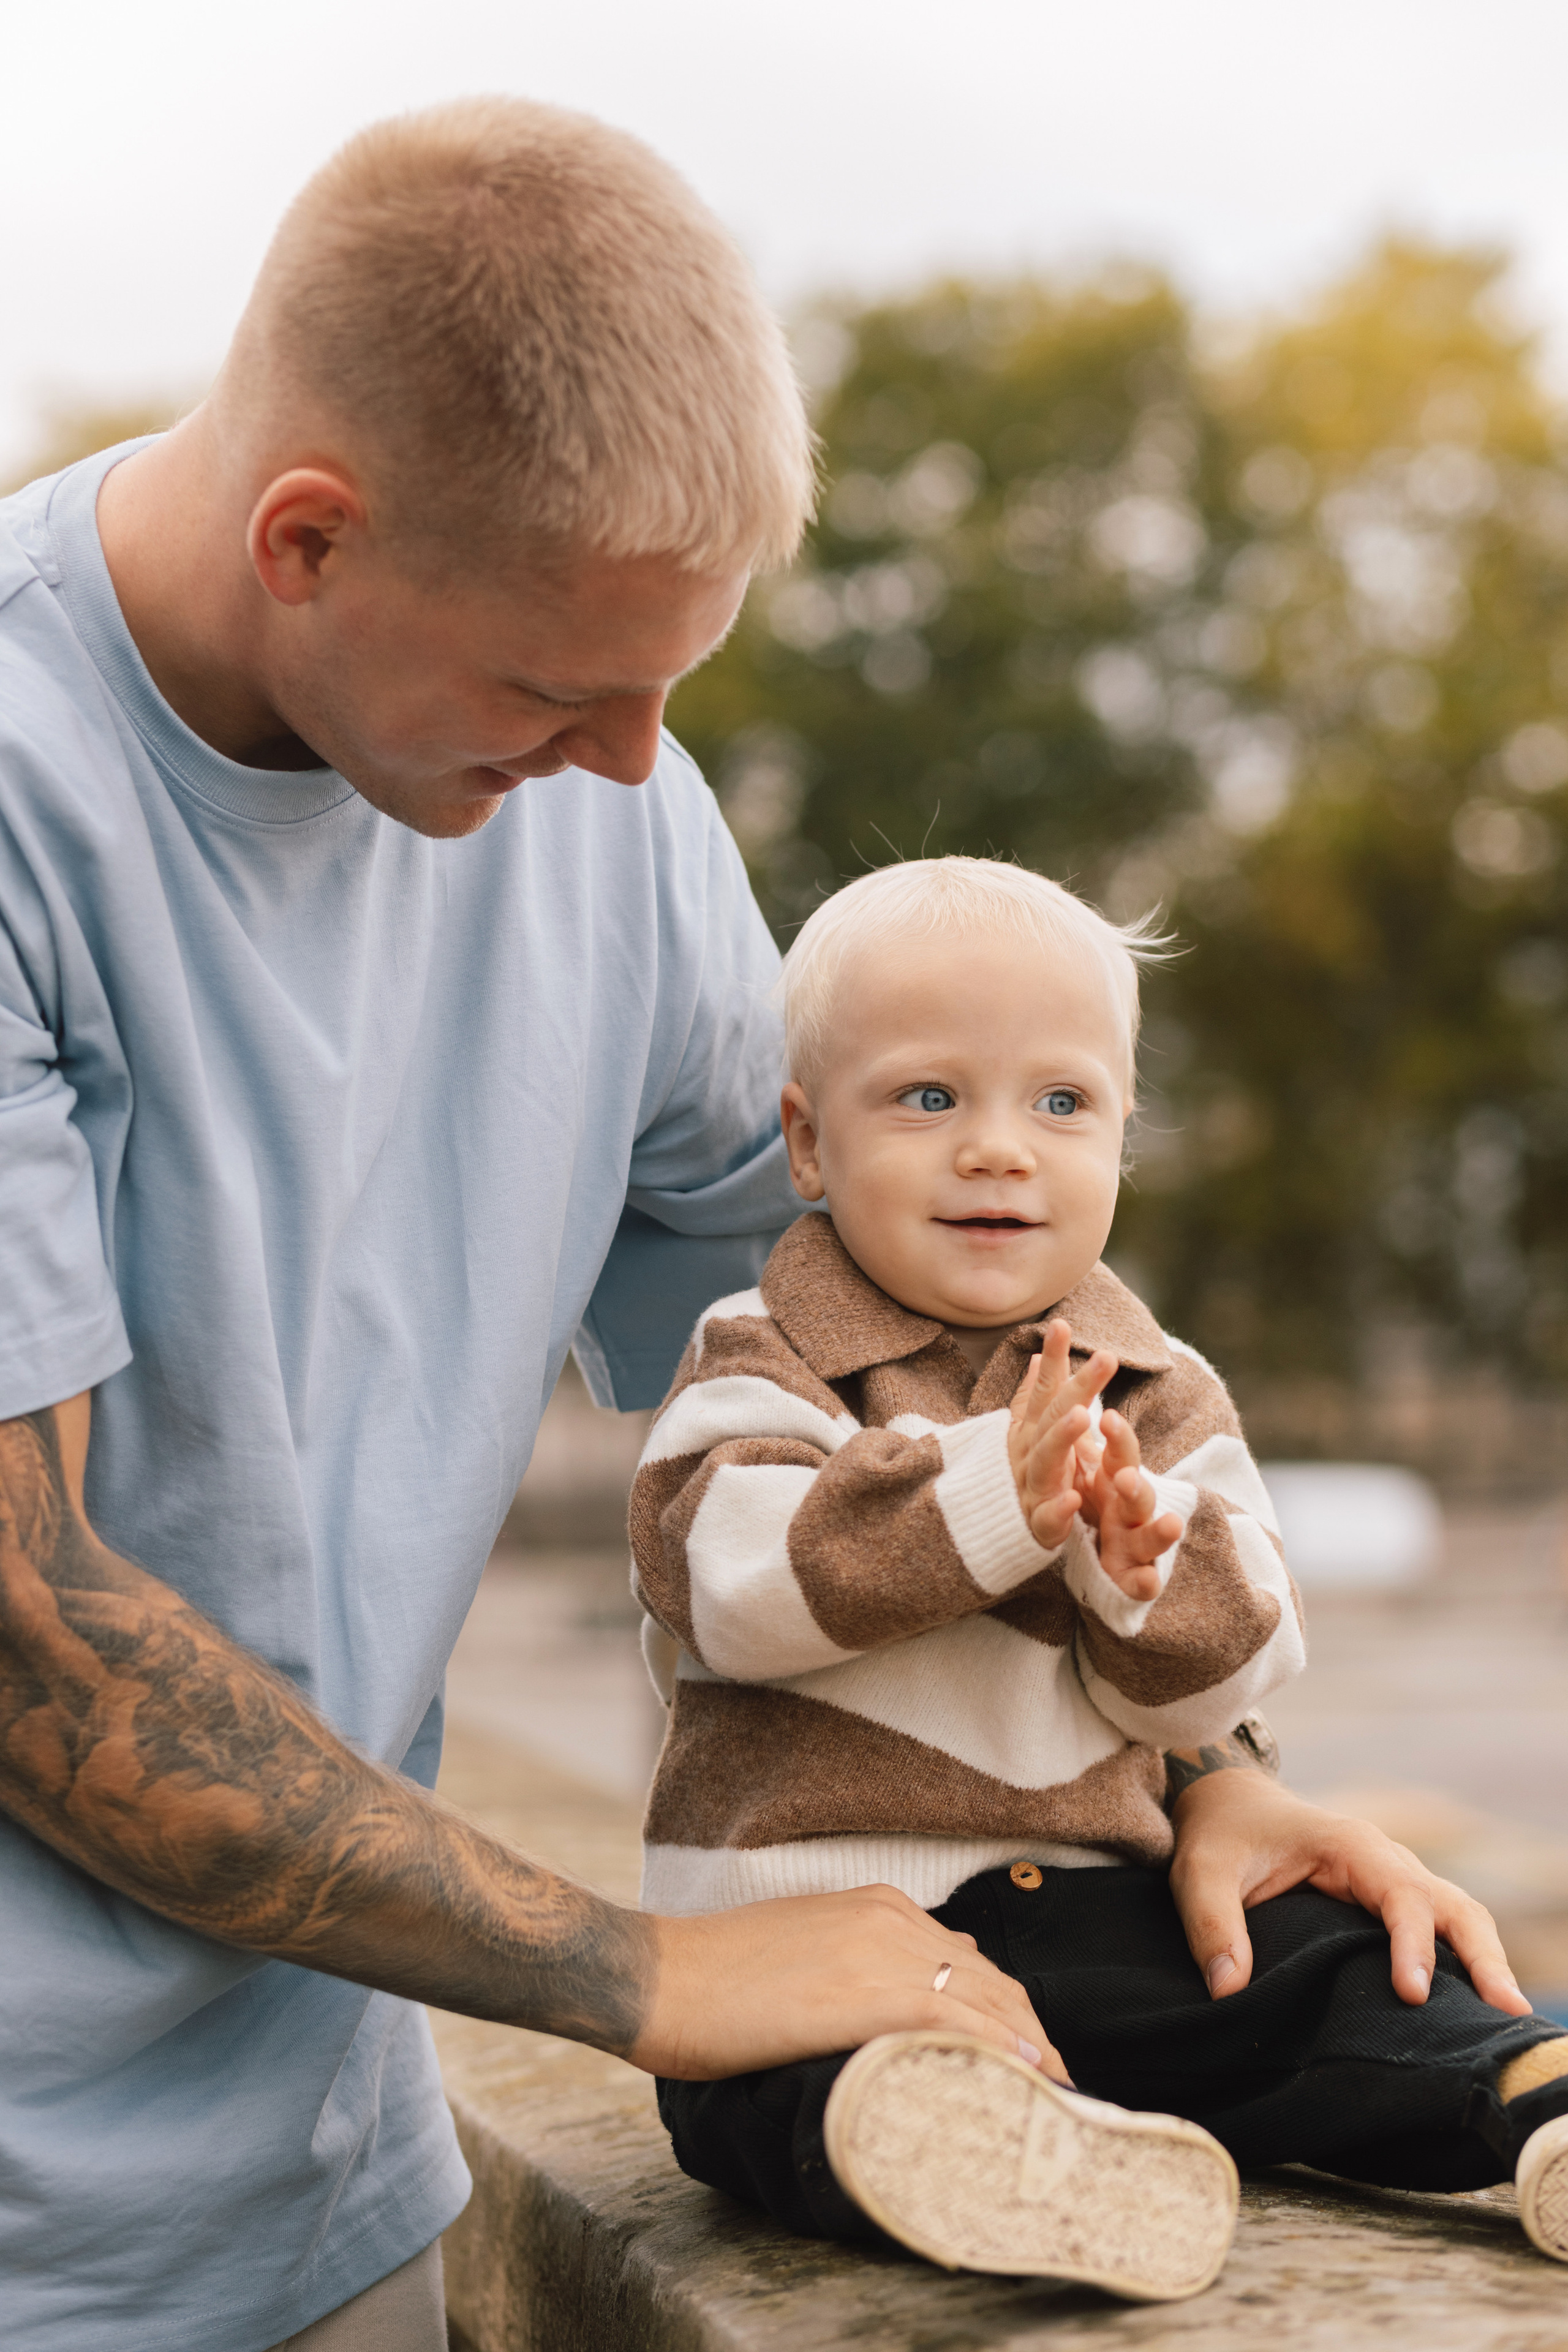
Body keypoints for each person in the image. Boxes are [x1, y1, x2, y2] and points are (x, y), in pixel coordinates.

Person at [0, 96, 1534, 2352]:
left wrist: (1215, 1773)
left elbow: (929, 1351)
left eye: (670, 688)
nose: (634, 771)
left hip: (335, 2195)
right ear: (309, 538)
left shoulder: (603, 807)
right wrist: (651, 1971)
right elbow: (40, 1646)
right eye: (557, 690)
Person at [636, 856, 1568, 2301]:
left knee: (1326, 1966)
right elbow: (730, 1584)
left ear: (1123, 1141)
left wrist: (1145, 1578)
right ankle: (1005, 2165)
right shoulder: (762, 1350)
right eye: (928, 1098)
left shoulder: (1161, 1383)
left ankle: (1523, 2102)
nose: (998, 1149)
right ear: (809, 1145)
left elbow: (1245, 1650)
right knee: (781, 2095)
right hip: (815, 1933)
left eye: (1059, 1103)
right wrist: (991, 1500)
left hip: (1098, 1908)